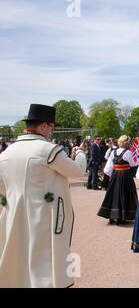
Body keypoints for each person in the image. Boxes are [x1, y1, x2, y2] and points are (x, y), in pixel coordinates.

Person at [0, 104, 85, 287]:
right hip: (43, 216)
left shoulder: (6, 152)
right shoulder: (48, 149)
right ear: (44, 126)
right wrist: (80, 153)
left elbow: (2, 187)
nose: (52, 132)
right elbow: (77, 171)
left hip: (13, 214)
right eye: (52, 127)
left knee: (18, 256)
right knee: (44, 263)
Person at [97, 135, 139, 224]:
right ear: (127, 143)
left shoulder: (113, 152)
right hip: (125, 175)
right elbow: (133, 164)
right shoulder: (128, 152)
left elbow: (108, 168)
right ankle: (122, 217)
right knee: (125, 194)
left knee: (113, 194)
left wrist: (112, 176)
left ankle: (112, 216)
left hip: (115, 174)